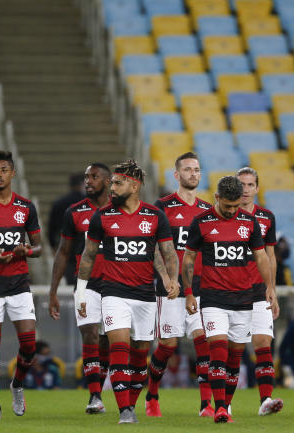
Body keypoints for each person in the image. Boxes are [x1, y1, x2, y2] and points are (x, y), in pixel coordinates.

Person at [75, 159, 180, 424]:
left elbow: (167, 252)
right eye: (111, 183)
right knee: (118, 347)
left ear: (134, 186)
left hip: (145, 295)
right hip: (113, 294)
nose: (111, 188)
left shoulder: (155, 216)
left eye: (117, 183)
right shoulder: (103, 216)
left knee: (139, 356)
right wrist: (80, 291)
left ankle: (130, 404)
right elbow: (88, 256)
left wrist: (172, 280)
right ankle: (125, 411)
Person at [183, 175, 278, 423]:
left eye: (236, 206)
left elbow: (261, 257)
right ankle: (221, 407)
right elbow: (189, 259)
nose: (232, 211)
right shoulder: (201, 222)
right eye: (227, 206)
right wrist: (189, 292)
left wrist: (269, 287)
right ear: (217, 198)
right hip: (213, 299)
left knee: (235, 357)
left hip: (244, 299)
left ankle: (226, 404)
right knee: (218, 350)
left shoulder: (249, 222)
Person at [144, 152, 214, 418]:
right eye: (187, 169)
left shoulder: (208, 210)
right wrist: (165, 279)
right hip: (170, 287)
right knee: (168, 346)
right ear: (177, 174)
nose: (193, 174)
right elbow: (152, 248)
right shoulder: (161, 206)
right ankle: (152, 395)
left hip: (200, 285)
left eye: (196, 169)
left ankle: (206, 404)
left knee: (203, 341)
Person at [0, 150, 43, 420]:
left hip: (18, 285)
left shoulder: (25, 207)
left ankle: (17, 384)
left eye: (4, 170)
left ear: (12, 173)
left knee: (29, 345)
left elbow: (39, 248)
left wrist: (25, 251)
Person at [49, 162, 112, 414]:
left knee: (107, 342)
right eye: (86, 177)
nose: (88, 181)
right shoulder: (73, 212)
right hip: (85, 285)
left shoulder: (119, 211)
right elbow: (63, 252)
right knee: (91, 335)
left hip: (116, 285)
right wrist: (53, 290)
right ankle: (94, 395)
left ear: (107, 182)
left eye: (94, 177)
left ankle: (102, 385)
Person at [237, 167, 283, 416]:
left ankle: (266, 399)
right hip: (230, 292)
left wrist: (271, 289)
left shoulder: (266, 217)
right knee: (232, 350)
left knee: (263, 343)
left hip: (258, 291)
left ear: (257, 188)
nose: (245, 189)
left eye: (250, 185)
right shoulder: (225, 216)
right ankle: (224, 403)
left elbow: (270, 256)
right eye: (241, 184)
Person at [48, 173, 85, 284]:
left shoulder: (59, 203)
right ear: (82, 184)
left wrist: (53, 246)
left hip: (66, 246)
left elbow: (51, 228)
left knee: (71, 281)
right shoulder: (88, 203)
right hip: (84, 245)